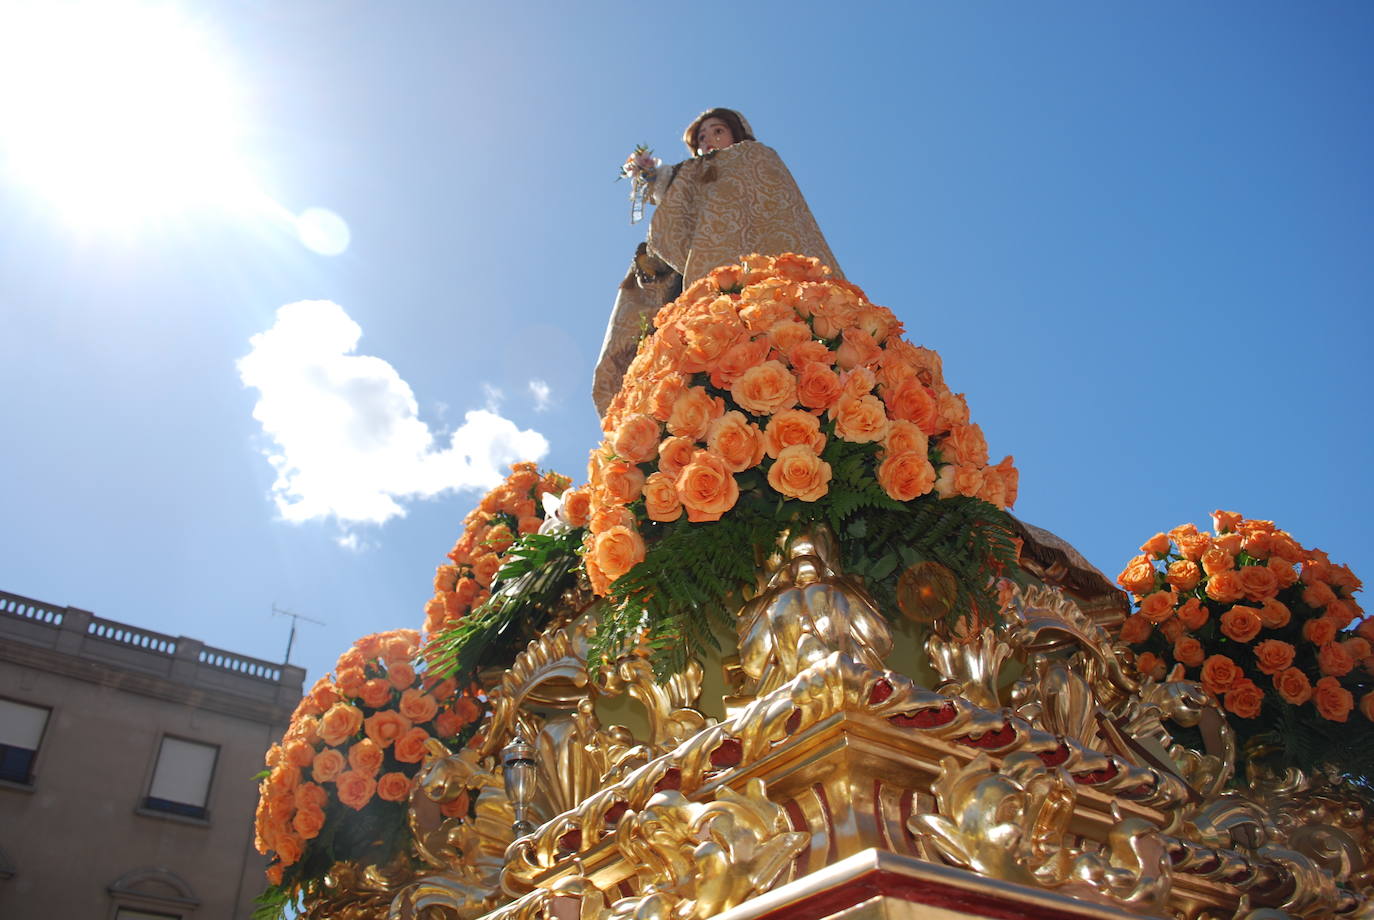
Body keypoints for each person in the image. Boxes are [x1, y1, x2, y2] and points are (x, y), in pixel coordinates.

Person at [591, 108, 842, 416]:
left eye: (717, 131)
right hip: (703, 274)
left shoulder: (754, 157)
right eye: (701, 137)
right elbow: (672, 225)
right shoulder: (692, 175)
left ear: (736, 133)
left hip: (770, 274)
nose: (708, 140)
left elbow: (784, 217)